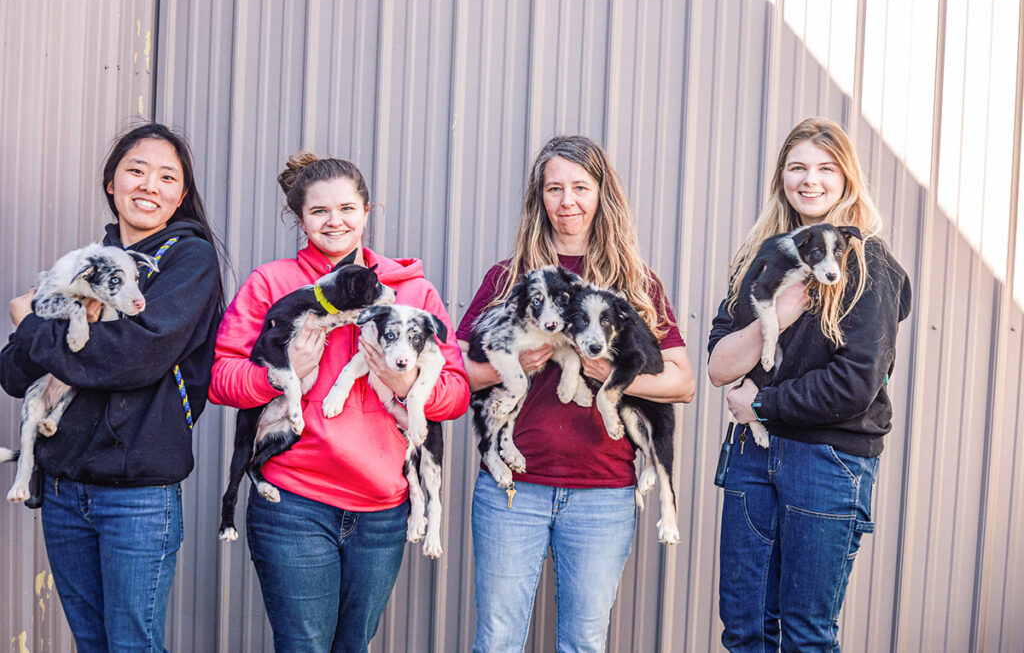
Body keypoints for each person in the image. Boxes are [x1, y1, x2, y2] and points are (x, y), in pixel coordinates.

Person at [209, 152, 469, 652]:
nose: (335, 222)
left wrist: (406, 380)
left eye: (347, 208)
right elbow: (221, 378)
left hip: (382, 507)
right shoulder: (272, 284)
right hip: (295, 503)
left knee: (354, 646)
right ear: (300, 218)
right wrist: (280, 376)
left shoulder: (411, 291)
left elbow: (455, 394)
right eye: (319, 212)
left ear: (367, 211)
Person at [458, 135, 696, 652]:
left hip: (602, 491)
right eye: (554, 188)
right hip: (512, 491)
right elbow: (455, 371)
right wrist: (511, 366)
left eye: (580, 187)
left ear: (601, 194)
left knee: (584, 643)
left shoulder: (635, 283)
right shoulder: (509, 279)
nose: (567, 201)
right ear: (538, 199)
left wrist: (608, 374)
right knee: (497, 639)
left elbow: (683, 381)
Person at [0, 123, 225, 652]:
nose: (150, 185)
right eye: (136, 170)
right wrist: (42, 337)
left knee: (132, 646)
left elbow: (133, 357)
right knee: (91, 643)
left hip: (138, 495)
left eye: (167, 177)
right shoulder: (83, 264)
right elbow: (12, 375)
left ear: (181, 195)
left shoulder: (190, 261)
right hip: (62, 487)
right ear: (112, 183)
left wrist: (30, 325)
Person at [707, 117, 912, 651]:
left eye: (826, 168)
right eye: (797, 167)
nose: (810, 180)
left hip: (827, 460)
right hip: (754, 459)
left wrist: (763, 404)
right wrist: (776, 312)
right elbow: (719, 365)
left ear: (847, 178)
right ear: (782, 177)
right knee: (746, 631)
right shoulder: (761, 257)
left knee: (805, 636)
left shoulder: (867, 264)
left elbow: (854, 384)